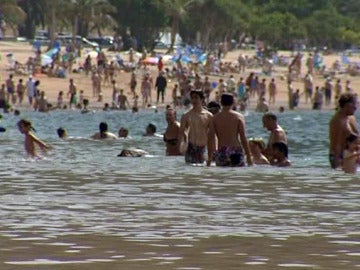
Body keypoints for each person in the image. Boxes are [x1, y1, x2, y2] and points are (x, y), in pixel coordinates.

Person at [208, 93, 253, 167]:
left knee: (222, 175)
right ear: (233, 102)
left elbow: (210, 138)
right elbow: (243, 137)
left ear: (221, 102)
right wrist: (248, 155)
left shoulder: (214, 118)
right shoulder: (239, 117)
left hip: (222, 150)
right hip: (236, 150)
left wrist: (209, 158)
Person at [178, 90, 213, 164]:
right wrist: (182, 145)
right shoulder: (186, 115)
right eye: (192, 98)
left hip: (203, 148)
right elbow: (181, 132)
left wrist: (214, 148)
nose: (194, 100)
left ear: (202, 99)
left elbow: (212, 134)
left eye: (196, 98)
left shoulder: (209, 116)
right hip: (191, 147)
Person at [329, 93, 358, 169]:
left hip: (350, 154)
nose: (356, 107)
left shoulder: (351, 118)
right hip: (339, 156)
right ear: (348, 105)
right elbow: (337, 145)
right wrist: (337, 163)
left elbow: (356, 136)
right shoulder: (338, 121)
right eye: (355, 104)